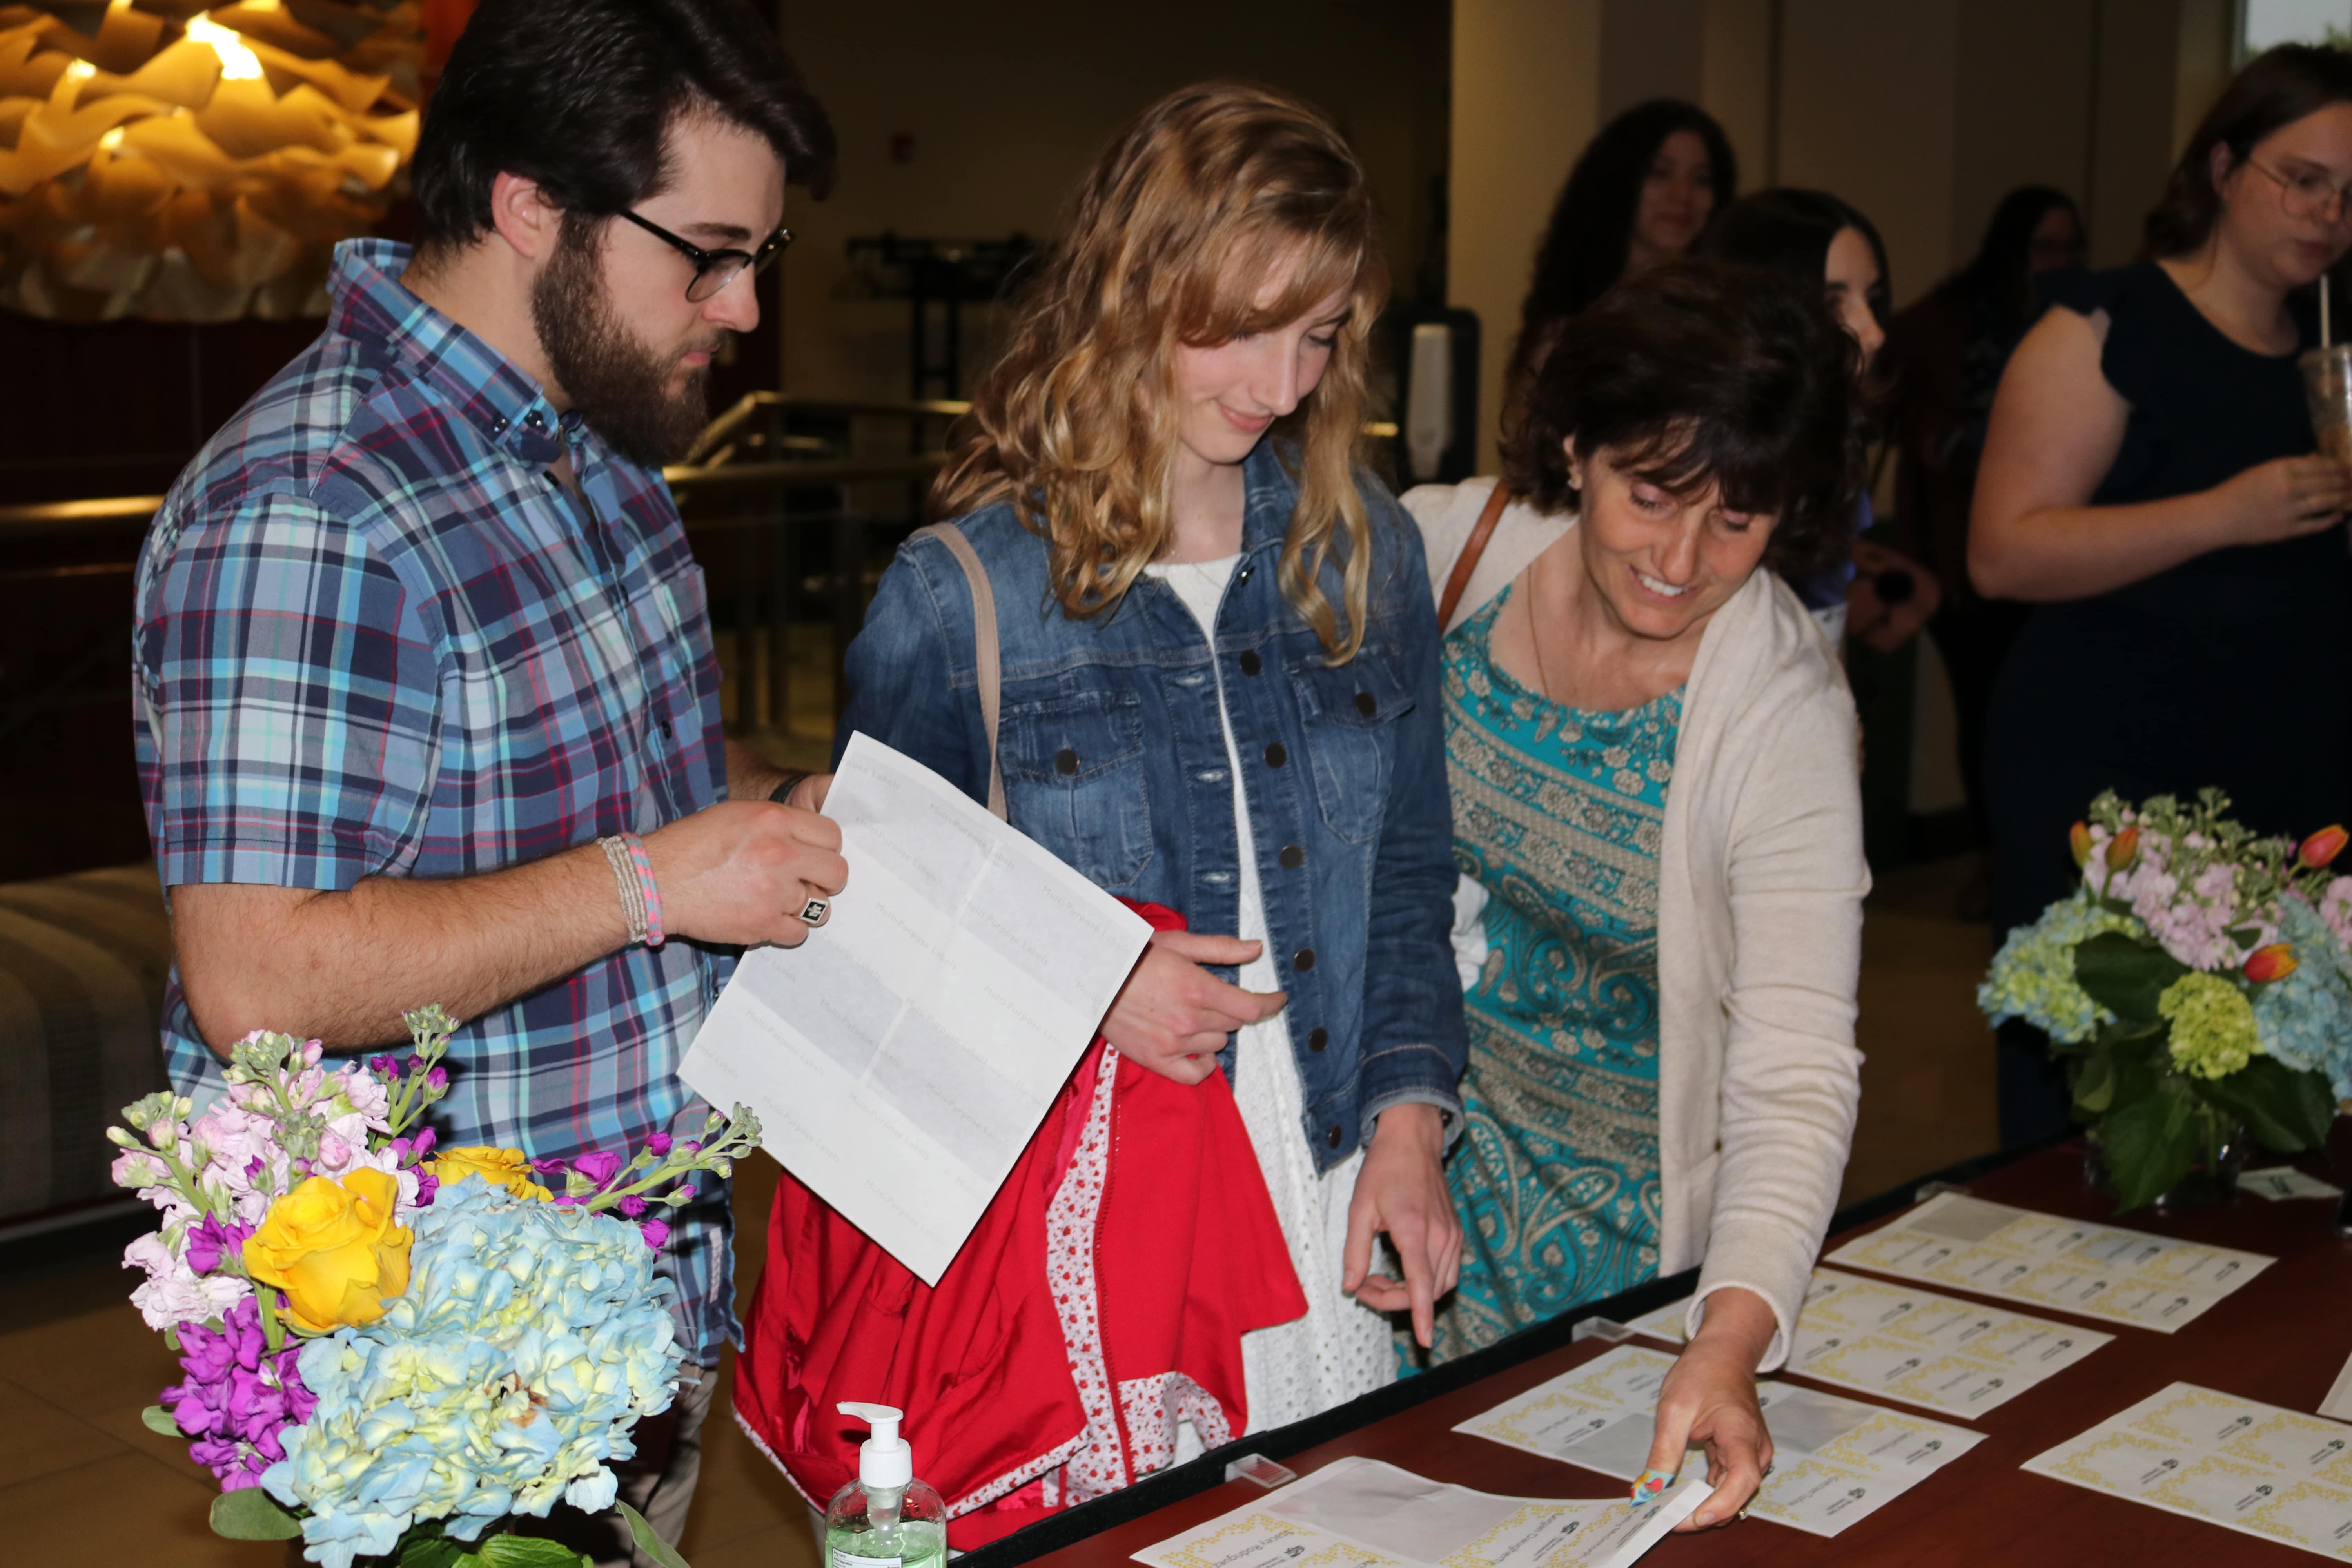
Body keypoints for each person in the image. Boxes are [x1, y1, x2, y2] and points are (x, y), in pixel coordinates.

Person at [130, 2, 840, 1559]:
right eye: (707, 255)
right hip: (441, 1372)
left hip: (631, 1303)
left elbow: (619, 772)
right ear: (531, 205)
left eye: (759, 258)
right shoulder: (313, 508)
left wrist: (775, 804)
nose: (738, 307)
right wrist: (660, 883)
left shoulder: (598, 451)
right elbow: (260, 979)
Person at [765, 80, 1466, 1494]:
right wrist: (1085, 977)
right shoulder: (963, 592)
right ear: (1139, 286)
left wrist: (1408, 1122)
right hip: (1095, 1222)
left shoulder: (1363, 552)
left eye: (1317, 334)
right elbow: (869, 924)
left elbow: (1405, 870)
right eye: (1242, 326)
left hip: (1326, 1168)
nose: (1280, 384)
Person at [1402, 259, 1868, 1532]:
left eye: (1738, 519)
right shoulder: (1455, 551)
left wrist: (1730, 1337)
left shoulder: (1781, 711)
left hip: (1623, 1236)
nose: (1680, 559)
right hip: (1412, 1182)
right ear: (1577, 447)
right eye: (1650, 495)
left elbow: (1795, 1068)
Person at [1972, 45, 2352, 1145]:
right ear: (2224, 167)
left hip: (2285, 773)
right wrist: (2223, 513)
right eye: (2303, 179)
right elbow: (2002, 553)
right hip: (2114, 771)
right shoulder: (2108, 325)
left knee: (2274, 1098)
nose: (2328, 215)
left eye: (2350, 194)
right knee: (2108, 1107)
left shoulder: (2331, 356)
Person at [1885, 187, 2085, 911]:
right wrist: (1938, 435)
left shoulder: (2076, 320)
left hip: (2052, 552)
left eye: (2070, 247)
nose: (2058, 262)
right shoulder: (1956, 316)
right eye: (2044, 247)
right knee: (1984, 711)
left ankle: (2036, 856)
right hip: (1958, 553)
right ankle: (1993, 856)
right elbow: (1890, 375)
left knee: (2045, 715)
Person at [1706, 189, 1939, 652]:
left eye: (1872, 299)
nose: (1874, 332)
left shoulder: (1832, 445)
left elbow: (1827, 628)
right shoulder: (1711, 461)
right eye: (1835, 305)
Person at [1505, 100, 1739, 413]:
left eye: (1702, 180)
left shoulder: (1728, 321)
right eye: (1660, 173)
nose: (1683, 195)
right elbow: (1531, 436)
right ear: (1620, 184)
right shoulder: (1566, 331)